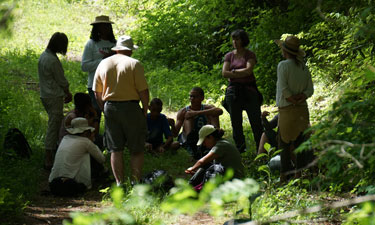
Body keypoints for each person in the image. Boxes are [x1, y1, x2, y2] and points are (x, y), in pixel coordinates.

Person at [93, 35, 149, 186]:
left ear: (117, 49)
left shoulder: (103, 63)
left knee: (115, 148)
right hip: (131, 107)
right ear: (130, 50)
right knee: (136, 147)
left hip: (110, 106)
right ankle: (135, 182)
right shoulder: (134, 64)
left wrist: (103, 107)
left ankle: (120, 183)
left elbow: (97, 92)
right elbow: (143, 90)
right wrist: (144, 109)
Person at [274, 35, 314, 181]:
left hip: (286, 109)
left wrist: (292, 100)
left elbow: (284, 89)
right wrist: (300, 98)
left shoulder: (282, 65)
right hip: (302, 109)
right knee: (301, 142)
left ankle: (284, 175)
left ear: (284, 51)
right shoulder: (304, 67)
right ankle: (299, 173)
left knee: (284, 142)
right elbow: (310, 90)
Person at [222, 29, 263, 153]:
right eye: (233, 39)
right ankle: (240, 149)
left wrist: (233, 72)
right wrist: (241, 72)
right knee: (236, 123)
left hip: (249, 90)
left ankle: (260, 149)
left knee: (256, 122)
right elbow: (224, 73)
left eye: (237, 39)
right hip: (233, 92)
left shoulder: (249, 54)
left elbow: (249, 70)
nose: (234, 42)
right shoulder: (229, 55)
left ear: (243, 40)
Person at [38, 32, 73, 170]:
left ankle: (55, 153)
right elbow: (61, 80)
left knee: (56, 124)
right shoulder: (52, 60)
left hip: (45, 95)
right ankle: (48, 158)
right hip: (53, 96)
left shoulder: (44, 56)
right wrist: (67, 91)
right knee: (53, 127)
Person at [49, 117, 105, 196]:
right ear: (85, 132)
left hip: (54, 181)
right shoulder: (85, 142)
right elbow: (102, 159)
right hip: (73, 182)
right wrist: (92, 142)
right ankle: (87, 182)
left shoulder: (65, 138)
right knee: (86, 154)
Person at [81, 15, 116, 131]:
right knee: (95, 115)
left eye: (107, 25)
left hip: (113, 85)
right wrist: (103, 60)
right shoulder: (91, 44)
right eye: (101, 25)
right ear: (96, 28)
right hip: (95, 85)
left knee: (112, 115)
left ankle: (111, 141)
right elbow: (85, 66)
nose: (105, 28)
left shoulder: (115, 44)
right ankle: (93, 140)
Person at [175, 87, 223, 160]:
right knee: (188, 117)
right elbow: (175, 133)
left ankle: (215, 137)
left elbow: (220, 111)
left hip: (204, 137)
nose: (192, 99)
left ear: (202, 98)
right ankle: (193, 148)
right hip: (189, 138)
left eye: (195, 96)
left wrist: (196, 113)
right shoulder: (183, 111)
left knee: (214, 114)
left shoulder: (207, 108)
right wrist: (171, 124)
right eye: (191, 96)